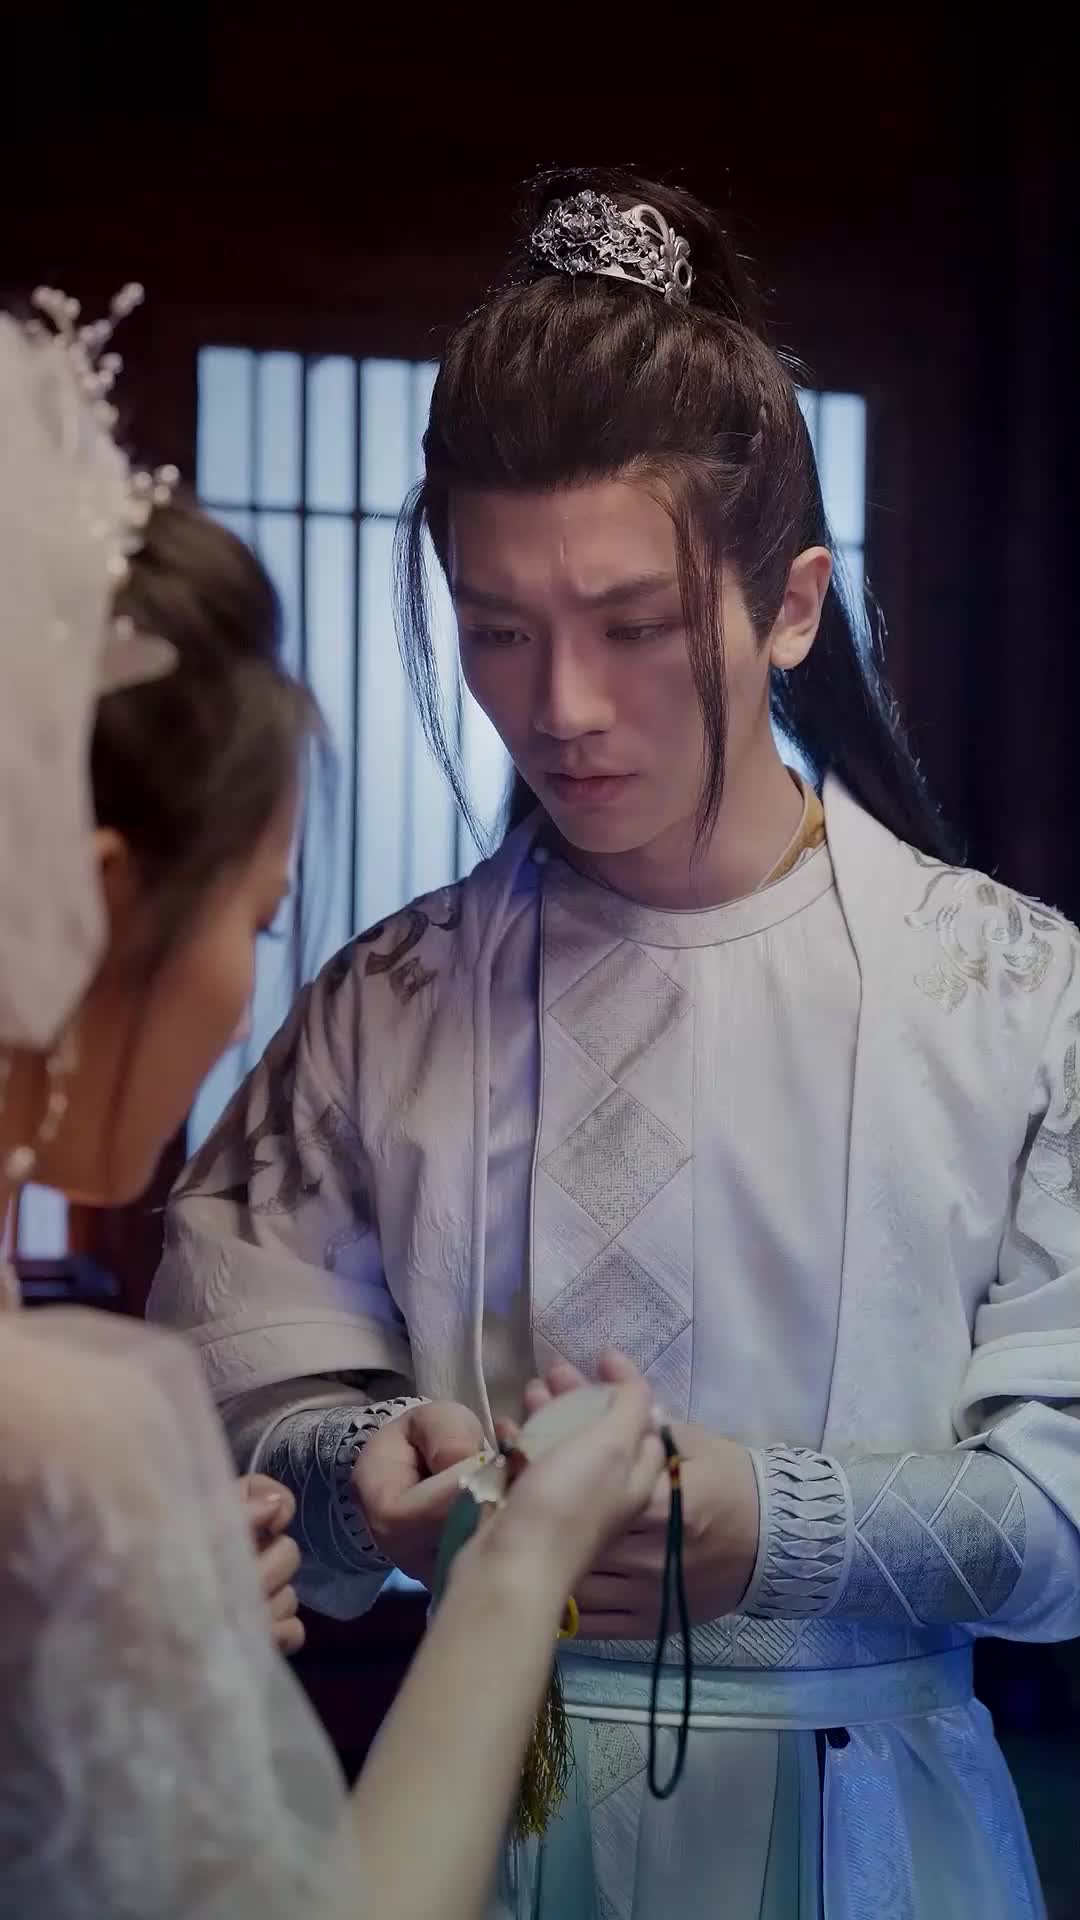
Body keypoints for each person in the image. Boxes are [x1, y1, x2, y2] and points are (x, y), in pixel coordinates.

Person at [151, 168, 1080, 1919]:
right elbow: (220, 1396)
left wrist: (771, 1524)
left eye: (635, 628)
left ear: (791, 604)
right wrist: (358, 1481)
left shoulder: (1016, 996)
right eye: (498, 632)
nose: (560, 708)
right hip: (481, 1809)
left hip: (877, 1828)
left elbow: (1066, 1500)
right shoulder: (388, 999)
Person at [0, 280, 667, 1919]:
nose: (256, 995)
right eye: (257, 919)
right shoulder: (61, 1424)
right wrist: (521, 1562)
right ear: (95, 900)